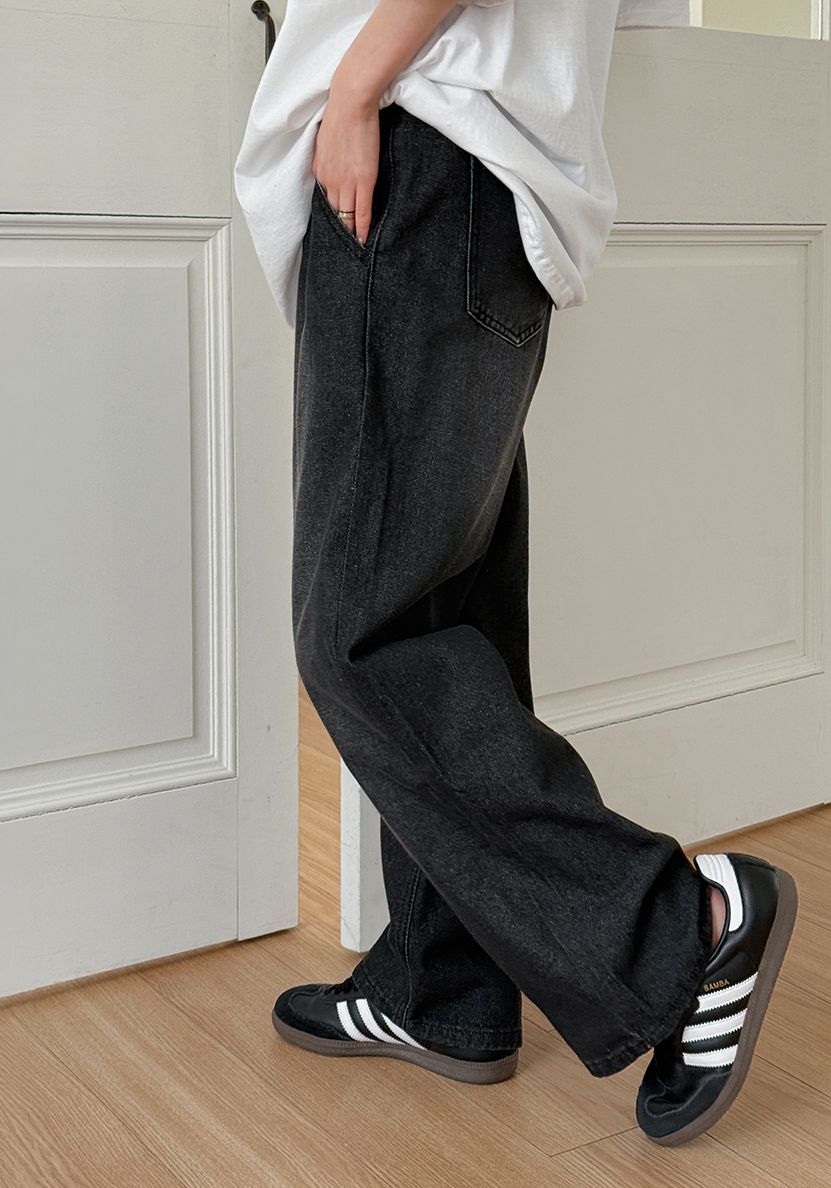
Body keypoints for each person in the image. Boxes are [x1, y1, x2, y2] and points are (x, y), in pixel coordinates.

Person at [234, 0, 797, 1147]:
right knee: (449, 610)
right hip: (486, 178)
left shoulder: (393, 106)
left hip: (418, 144)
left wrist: (355, 84)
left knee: (361, 635)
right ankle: (445, 988)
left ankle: (677, 928)